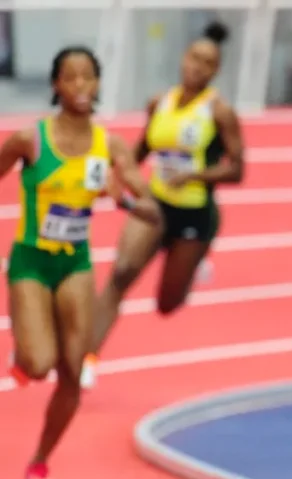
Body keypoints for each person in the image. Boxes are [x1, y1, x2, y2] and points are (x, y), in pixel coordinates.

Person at [2, 46, 162, 479]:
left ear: (97, 84)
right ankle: (24, 354)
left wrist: (124, 199)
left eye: (87, 77)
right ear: (55, 85)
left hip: (75, 263)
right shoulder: (28, 140)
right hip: (31, 260)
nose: (79, 86)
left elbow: (151, 209)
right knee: (39, 363)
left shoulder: (108, 145)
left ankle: (40, 461)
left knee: (74, 368)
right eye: (69, 78)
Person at [82, 20, 245, 390]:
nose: (196, 67)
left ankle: (197, 257)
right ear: (183, 59)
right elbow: (141, 150)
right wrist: (114, 174)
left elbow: (237, 169)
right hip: (155, 205)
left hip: (195, 214)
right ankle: (86, 357)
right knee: (121, 272)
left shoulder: (219, 113)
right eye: (193, 58)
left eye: (206, 62)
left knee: (167, 305)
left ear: (215, 70)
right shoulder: (160, 102)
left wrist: (194, 177)